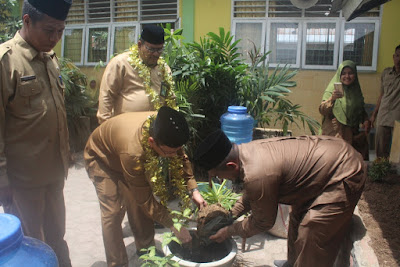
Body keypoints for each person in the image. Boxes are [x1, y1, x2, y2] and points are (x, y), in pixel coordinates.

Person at [194, 130, 366, 267]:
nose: (223, 180)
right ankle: (292, 264)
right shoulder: (245, 153)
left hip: (344, 171)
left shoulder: (257, 172)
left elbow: (263, 222)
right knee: (297, 217)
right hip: (322, 170)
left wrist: (228, 231)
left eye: (219, 175)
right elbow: (253, 194)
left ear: (232, 165)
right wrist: (230, 215)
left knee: (312, 229)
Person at [84, 106, 206, 267]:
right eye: (168, 152)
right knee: (113, 212)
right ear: (151, 142)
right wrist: (172, 224)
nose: (172, 156)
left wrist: (194, 190)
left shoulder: (165, 125)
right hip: (102, 157)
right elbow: (145, 199)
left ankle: (147, 253)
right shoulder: (133, 153)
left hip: (121, 151)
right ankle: (117, 263)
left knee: (137, 207)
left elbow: (180, 156)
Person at [0, 0, 72, 266]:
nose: (55, 38)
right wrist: (2, 177)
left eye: (61, 31)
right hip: (22, 180)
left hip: (53, 173)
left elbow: (56, 114)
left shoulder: (50, 59)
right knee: (30, 245)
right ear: (27, 21)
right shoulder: (6, 62)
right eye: (49, 30)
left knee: (57, 236)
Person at [97, 24, 175, 124]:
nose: (156, 54)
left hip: (155, 130)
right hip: (125, 128)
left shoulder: (164, 69)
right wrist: (106, 126)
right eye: (151, 49)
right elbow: (106, 95)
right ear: (139, 45)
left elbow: (169, 98)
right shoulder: (121, 63)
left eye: (159, 49)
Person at [319, 60, 371, 160]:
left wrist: (365, 120)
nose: (347, 76)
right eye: (343, 73)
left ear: (355, 75)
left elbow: (360, 109)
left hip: (352, 135)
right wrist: (332, 99)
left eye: (350, 73)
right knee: (334, 163)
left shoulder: (356, 90)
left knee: (351, 163)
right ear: (339, 74)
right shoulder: (331, 90)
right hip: (335, 134)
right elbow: (322, 110)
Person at [370, 44, 400, 158]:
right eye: (397, 56)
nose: (399, 59)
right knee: (381, 150)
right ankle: (381, 172)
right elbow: (381, 95)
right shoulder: (386, 73)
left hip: (398, 117)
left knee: (396, 152)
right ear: (393, 57)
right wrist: (374, 115)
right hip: (383, 115)